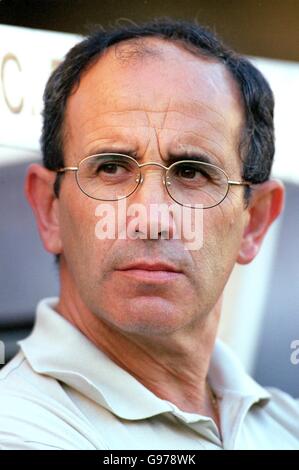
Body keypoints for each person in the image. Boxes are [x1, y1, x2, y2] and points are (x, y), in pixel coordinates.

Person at [0, 18, 297, 450]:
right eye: (112, 168)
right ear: (50, 210)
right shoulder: (16, 427)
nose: (152, 218)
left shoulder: (286, 425)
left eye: (192, 172)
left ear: (254, 223)